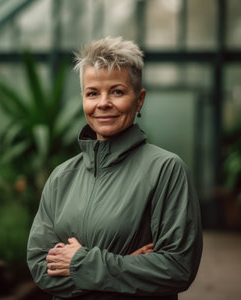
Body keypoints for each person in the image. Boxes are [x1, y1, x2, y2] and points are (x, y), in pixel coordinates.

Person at [27, 37, 202, 300]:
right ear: (83, 100)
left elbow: (177, 268)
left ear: (139, 100)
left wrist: (82, 264)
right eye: (92, 93)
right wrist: (123, 269)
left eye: (117, 91)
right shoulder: (61, 177)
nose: (103, 103)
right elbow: (42, 268)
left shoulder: (165, 170)